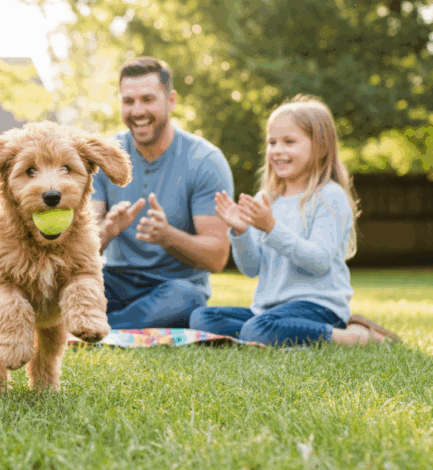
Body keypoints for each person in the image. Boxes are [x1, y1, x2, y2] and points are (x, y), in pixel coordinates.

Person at [189, 95, 401, 345]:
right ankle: (272, 334)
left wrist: (272, 228)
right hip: (268, 311)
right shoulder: (267, 198)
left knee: (257, 329)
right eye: (272, 142)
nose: (278, 151)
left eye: (289, 142)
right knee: (202, 318)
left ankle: (353, 337)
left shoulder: (329, 196)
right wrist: (241, 232)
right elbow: (251, 268)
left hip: (317, 309)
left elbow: (318, 262)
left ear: (321, 148)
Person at [92, 57, 234, 329]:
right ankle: (114, 325)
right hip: (114, 281)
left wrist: (169, 237)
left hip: (173, 288)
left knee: (186, 299)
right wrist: (108, 230)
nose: (137, 111)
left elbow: (217, 256)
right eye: (128, 101)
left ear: (171, 101)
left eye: (147, 99)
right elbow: (77, 247)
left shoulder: (205, 161)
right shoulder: (106, 157)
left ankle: (106, 328)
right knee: (73, 286)